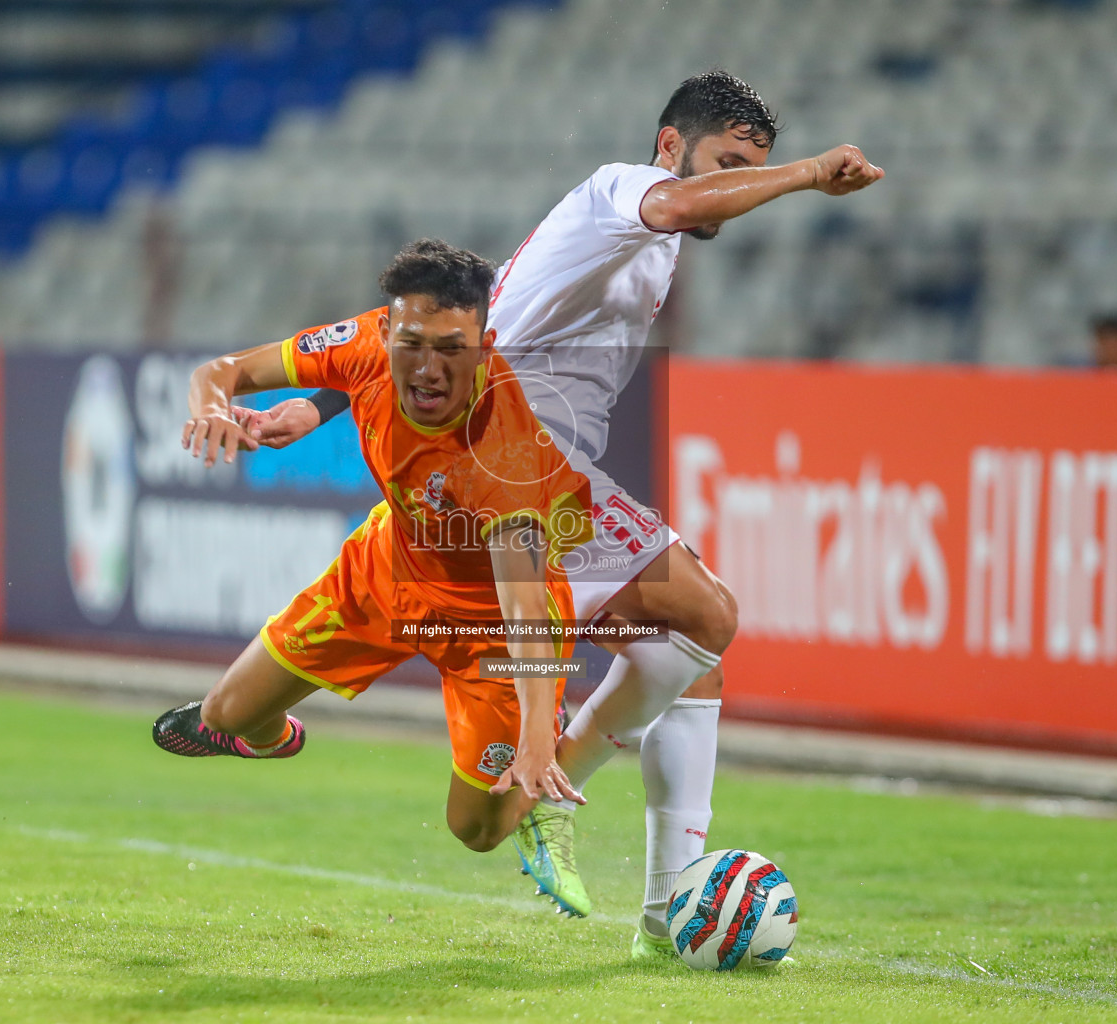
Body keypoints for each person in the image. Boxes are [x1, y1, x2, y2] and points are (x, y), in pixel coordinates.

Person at [236, 72, 885, 956]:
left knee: (688, 658)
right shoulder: (623, 191)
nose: (733, 188)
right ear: (669, 146)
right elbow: (661, 213)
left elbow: (473, 330)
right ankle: (550, 786)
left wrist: (320, 407)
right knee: (703, 617)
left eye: (752, 167)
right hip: (511, 480)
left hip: (529, 480)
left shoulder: (617, 236)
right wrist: (808, 175)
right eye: (727, 163)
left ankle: (660, 917)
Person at [152, 239, 703, 868]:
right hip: (386, 571)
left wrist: (533, 738)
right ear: (386, 330)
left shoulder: (505, 455)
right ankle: (271, 736)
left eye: (451, 350)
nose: (427, 369)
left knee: (476, 829)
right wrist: (213, 411)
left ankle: (546, 732)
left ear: (485, 348)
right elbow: (218, 372)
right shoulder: (361, 342)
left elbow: (525, 611)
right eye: (411, 344)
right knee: (228, 715)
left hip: (486, 623)